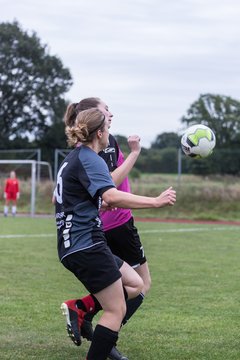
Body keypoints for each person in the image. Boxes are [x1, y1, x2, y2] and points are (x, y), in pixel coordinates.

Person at [56, 107, 176, 360]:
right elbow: (111, 194)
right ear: (100, 133)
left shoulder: (73, 158)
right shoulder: (90, 158)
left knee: (135, 283)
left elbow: (79, 198)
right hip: (85, 244)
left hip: (80, 244)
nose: (109, 133)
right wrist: (155, 201)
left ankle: (81, 307)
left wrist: (99, 203)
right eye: (107, 129)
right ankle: (87, 322)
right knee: (116, 309)